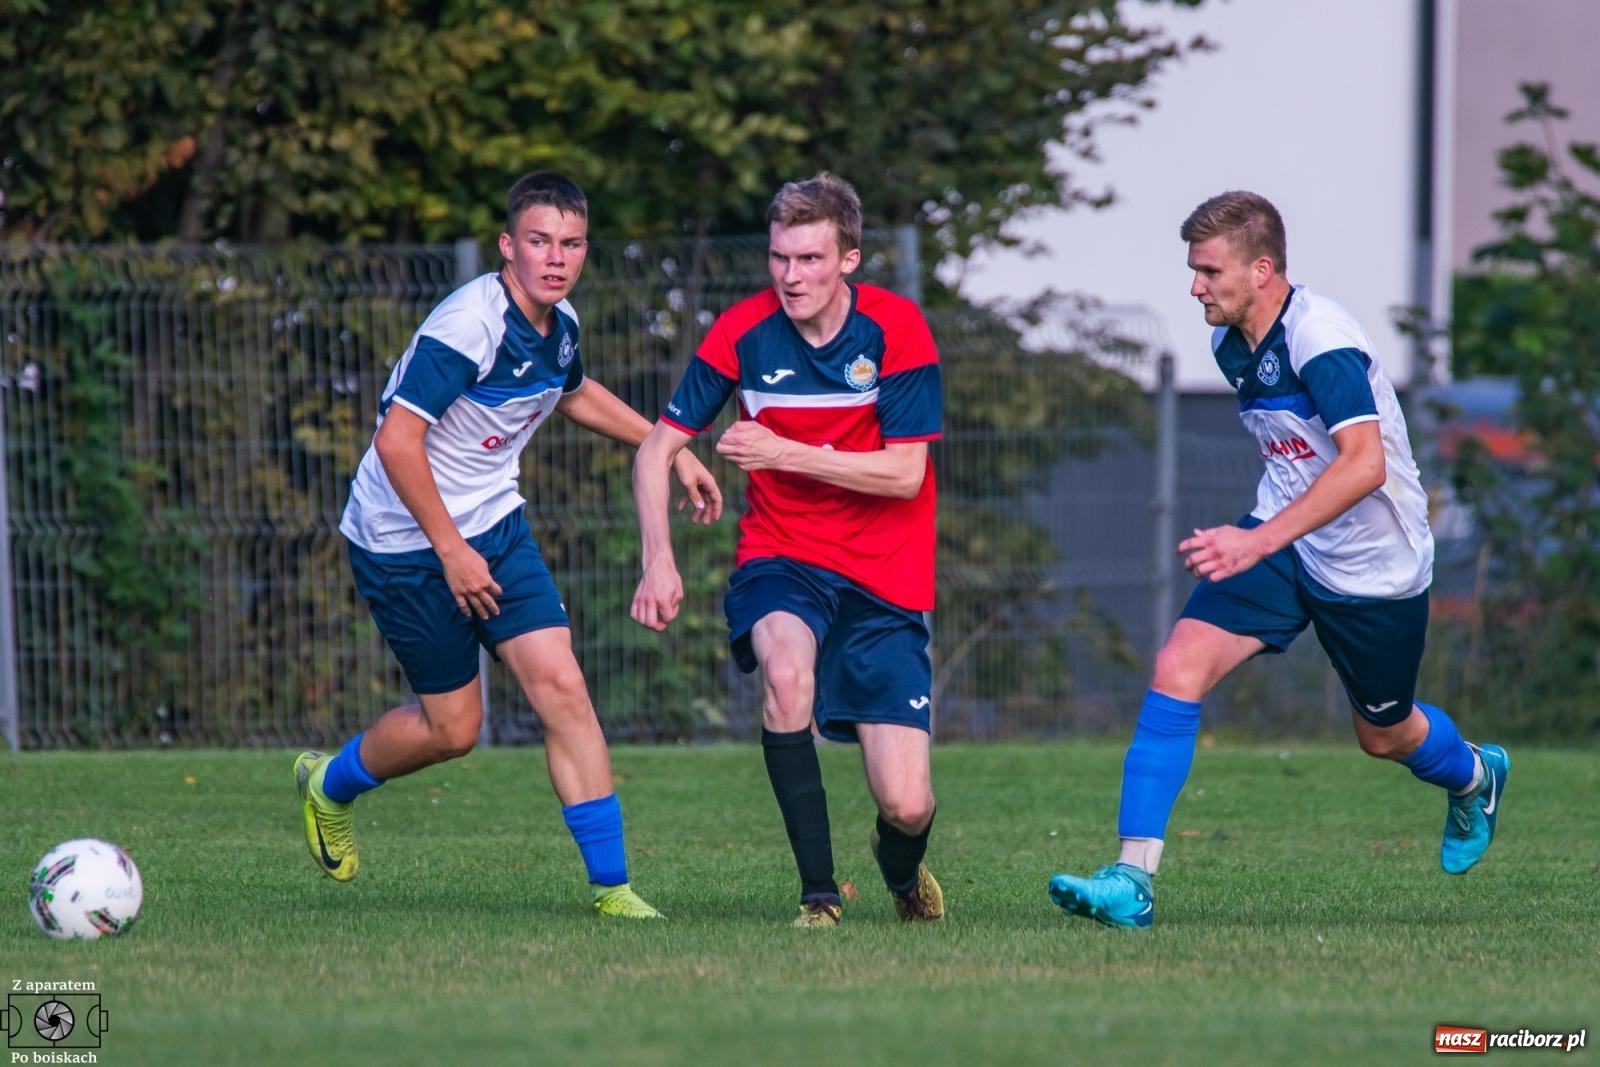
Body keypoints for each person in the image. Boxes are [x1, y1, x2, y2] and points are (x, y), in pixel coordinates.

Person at [1048, 191, 1509, 928]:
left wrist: (1257, 539)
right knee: (1178, 666)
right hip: (1284, 538)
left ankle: (1478, 775)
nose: (1195, 285)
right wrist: (1266, 535)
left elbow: (1364, 466)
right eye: (1194, 269)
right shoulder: (1233, 343)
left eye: (1209, 270)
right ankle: (1131, 881)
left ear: (1262, 269)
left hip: (1372, 567)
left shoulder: (1320, 339)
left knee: (1383, 734)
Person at [293, 171, 722, 920]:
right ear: (507, 246)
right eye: (538, 241)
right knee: (454, 729)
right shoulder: (470, 327)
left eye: (571, 243)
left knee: (563, 686)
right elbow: (396, 440)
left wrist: (674, 448)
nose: (555, 258)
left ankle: (613, 889)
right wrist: (451, 550)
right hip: (402, 540)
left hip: (495, 522)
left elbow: (575, 391)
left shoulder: (561, 325)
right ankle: (330, 783)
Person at [630, 173, 945, 928]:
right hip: (783, 559)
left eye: (809, 259)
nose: (791, 276)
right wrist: (658, 558)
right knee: (785, 674)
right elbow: (655, 448)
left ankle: (900, 869)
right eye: (779, 258)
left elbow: (906, 475)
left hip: (885, 581)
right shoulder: (741, 331)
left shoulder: (897, 331)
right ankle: (819, 896)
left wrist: (786, 452)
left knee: (907, 804)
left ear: (849, 260)